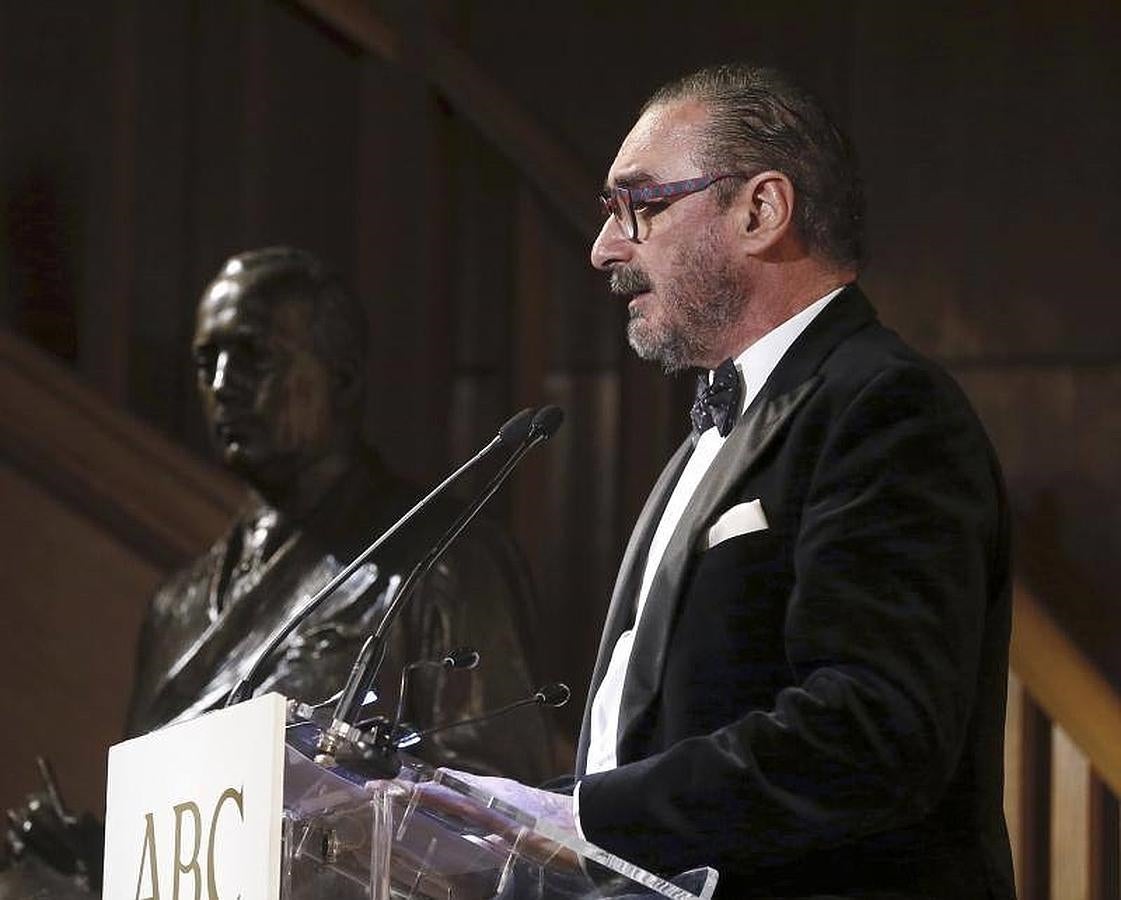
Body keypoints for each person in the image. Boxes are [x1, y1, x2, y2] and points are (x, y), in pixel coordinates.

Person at [446, 63, 1015, 898]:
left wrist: (584, 817)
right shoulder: (714, 431)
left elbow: (871, 732)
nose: (605, 247)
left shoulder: (882, 404)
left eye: (638, 204)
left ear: (760, 210)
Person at [3, 247, 558, 893]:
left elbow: (498, 823)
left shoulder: (445, 558)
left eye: (253, 356)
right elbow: (187, 818)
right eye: (206, 361)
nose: (221, 384)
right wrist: (96, 852)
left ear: (342, 378)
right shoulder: (177, 604)